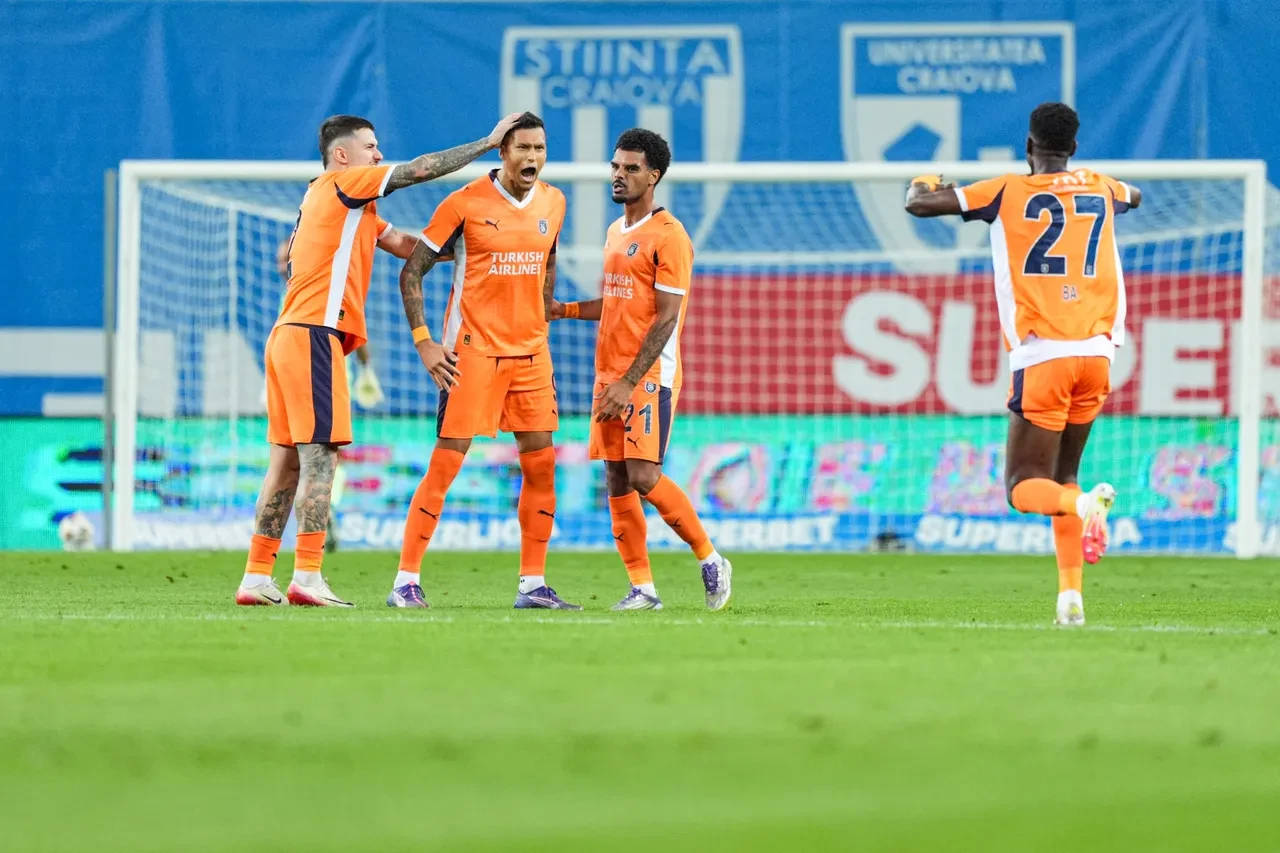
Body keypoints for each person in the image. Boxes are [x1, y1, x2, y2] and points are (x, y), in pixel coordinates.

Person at [235, 111, 523, 607]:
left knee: (285, 464)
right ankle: (308, 575)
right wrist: (487, 143)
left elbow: (407, 246)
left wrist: (478, 245)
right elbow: (419, 169)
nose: (379, 154)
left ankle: (257, 576)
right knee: (321, 458)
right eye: (370, 146)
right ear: (342, 154)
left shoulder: (343, 203)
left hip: (288, 336)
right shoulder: (345, 183)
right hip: (314, 335)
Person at [903, 101, 1142, 626]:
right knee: (1065, 476)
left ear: (1029, 146)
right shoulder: (1102, 185)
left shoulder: (1006, 190)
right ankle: (1070, 599)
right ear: (1073, 146)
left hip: (1044, 354)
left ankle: (1084, 508)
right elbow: (1135, 196)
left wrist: (924, 180)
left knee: (1022, 486)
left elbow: (918, 206)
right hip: (1098, 354)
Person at [388, 112, 580, 610]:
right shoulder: (464, 203)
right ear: (503, 152)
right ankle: (405, 581)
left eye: (540, 148)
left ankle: (532, 585)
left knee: (542, 467)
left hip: (531, 355)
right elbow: (412, 272)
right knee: (446, 465)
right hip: (471, 353)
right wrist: (425, 342)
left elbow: (548, 258)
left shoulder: (555, 202)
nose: (533, 157)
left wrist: (543, 311)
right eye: (524, 148)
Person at [550, 128, 733, 611]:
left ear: (653, 176)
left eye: (630, 168)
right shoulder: (617, 231)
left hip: (647, 376)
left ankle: (710, 557)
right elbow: (618, 302)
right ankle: (643, 589)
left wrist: (629, 381)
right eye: (615, 166)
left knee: (644, 475)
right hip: (608, 374)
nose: (619, 175)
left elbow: (667, 317)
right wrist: (565, 310)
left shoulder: (670, 237)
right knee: (615, 478)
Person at [271, 241, 383, 553]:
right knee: (299, 456)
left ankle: (319, 522)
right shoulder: (291, 294)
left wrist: (366, 371)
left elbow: (353, 323)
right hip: (298, 379)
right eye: (278, 261)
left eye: (285, 259)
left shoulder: (320, 288)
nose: (281, 267)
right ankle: (319, 520)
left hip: (326, 378)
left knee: (321, 455)